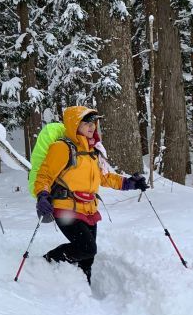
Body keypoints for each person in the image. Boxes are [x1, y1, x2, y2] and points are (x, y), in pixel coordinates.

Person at [34, 106, 147, 284]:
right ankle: (48, 261)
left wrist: (129, 183)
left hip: (89, 209)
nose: (92, 126)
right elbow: (44, 175)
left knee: (88, 258)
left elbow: (104, 177)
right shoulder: (61, 148)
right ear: (74, 124)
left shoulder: (93, 152)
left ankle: (83, 289)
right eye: (86, 122)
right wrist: (42, 195)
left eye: (93, 122)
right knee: (87, 248)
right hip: (65, 208)